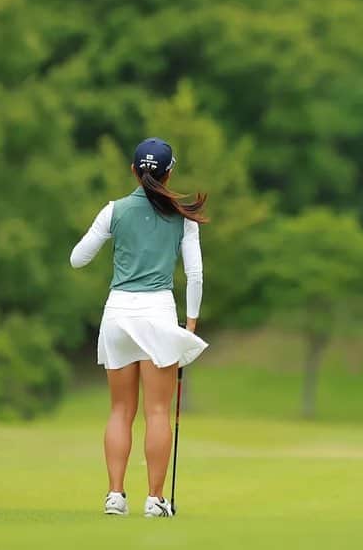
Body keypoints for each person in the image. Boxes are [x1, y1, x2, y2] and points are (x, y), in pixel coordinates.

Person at [70, 137, 209, 518]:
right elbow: (195, 275)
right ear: (169, 173)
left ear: (133, 170)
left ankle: (115, 496)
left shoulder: (114, 210)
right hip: (157, 315)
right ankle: (155, 499)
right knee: (158, 411)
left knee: (120, 410)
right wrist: (190, 322)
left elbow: (78, 259)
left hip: (117, 315)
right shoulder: (183, 217)